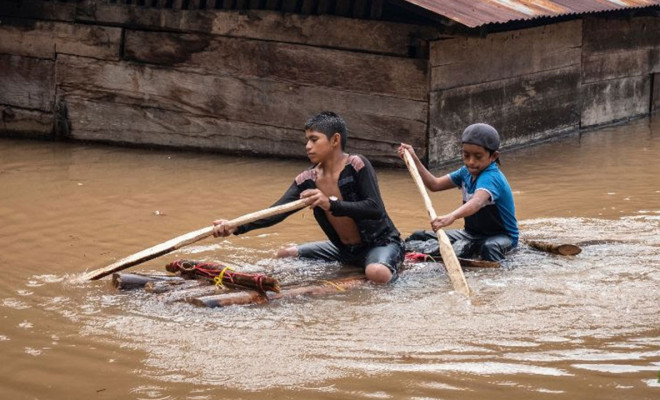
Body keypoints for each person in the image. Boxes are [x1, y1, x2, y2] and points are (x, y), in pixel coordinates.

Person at [212, 111, 404, 283]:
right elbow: (276, 212)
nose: (308, 146)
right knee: (285, 254)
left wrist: (330, 204)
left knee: (377, 272)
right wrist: (236, 226)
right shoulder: (308, 179)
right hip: (343, 250)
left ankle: (391, 265)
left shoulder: (356, 165)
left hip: (380, 243)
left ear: (335, 140)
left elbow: (375, 208)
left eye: (314, 139)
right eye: (307, 140)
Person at [398, 123, 518, 262]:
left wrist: (452, 216)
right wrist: (413, 160)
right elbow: (434, 184)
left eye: (478, 157)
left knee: (490, 247)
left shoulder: (491, 177)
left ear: (493, 156)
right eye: (466, 155)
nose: (471, 162)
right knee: (418, 237)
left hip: (502, 237)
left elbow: (477, 202)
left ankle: (498, 273)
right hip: (471, 234)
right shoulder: (464, 173)